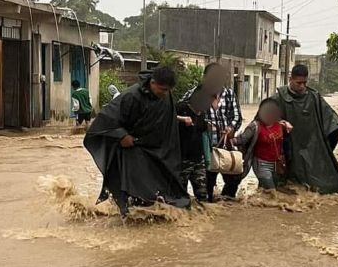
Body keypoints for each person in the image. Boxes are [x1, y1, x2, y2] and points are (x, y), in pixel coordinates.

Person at [83, 67, 189, 217]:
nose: (165, 93)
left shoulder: (166, 96)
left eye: (168, 90)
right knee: (134, 192)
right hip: (132, 150)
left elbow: (168, 124)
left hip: (157, 150)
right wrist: (121, 135)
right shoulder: (131, 96)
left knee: (166, 189)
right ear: (152, 82)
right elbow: (105, 119)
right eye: (162, 89)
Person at [273, 64, 338, 194]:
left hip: (310, 146)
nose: (302, 86)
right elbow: (264, 120)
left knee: (323, 186)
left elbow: (329, 115)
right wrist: (280, 123)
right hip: (287, 147)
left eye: (304, 83)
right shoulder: (278, 98)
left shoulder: (314, 97)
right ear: (290, 79)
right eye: (299, 83)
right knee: (282, 184)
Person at [182, 63, 243, 202]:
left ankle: (225, 204)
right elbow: (181, 114)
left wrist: (231, 128)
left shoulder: (229, 94)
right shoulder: (193, 94)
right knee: (206, 187)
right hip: (204, 150)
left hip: (225, 147)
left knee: (235, 177)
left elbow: (237, 116)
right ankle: (210, 203)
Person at [235, 98, 293, 191]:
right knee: (271, 192)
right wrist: (230, 140)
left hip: (278, 164)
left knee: (270, 192)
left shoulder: (281, 124)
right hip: (261, 164)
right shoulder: (255, 126)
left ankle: (257, 203)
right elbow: (241, 140)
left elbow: (287, 143)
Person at [176, 87, 209, 201]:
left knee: (202, 194)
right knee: (181, 195)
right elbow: (166, 117)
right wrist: (181, 119)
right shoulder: (181, 107)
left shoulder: (202, 113)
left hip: (198, 160)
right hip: (182, 160)